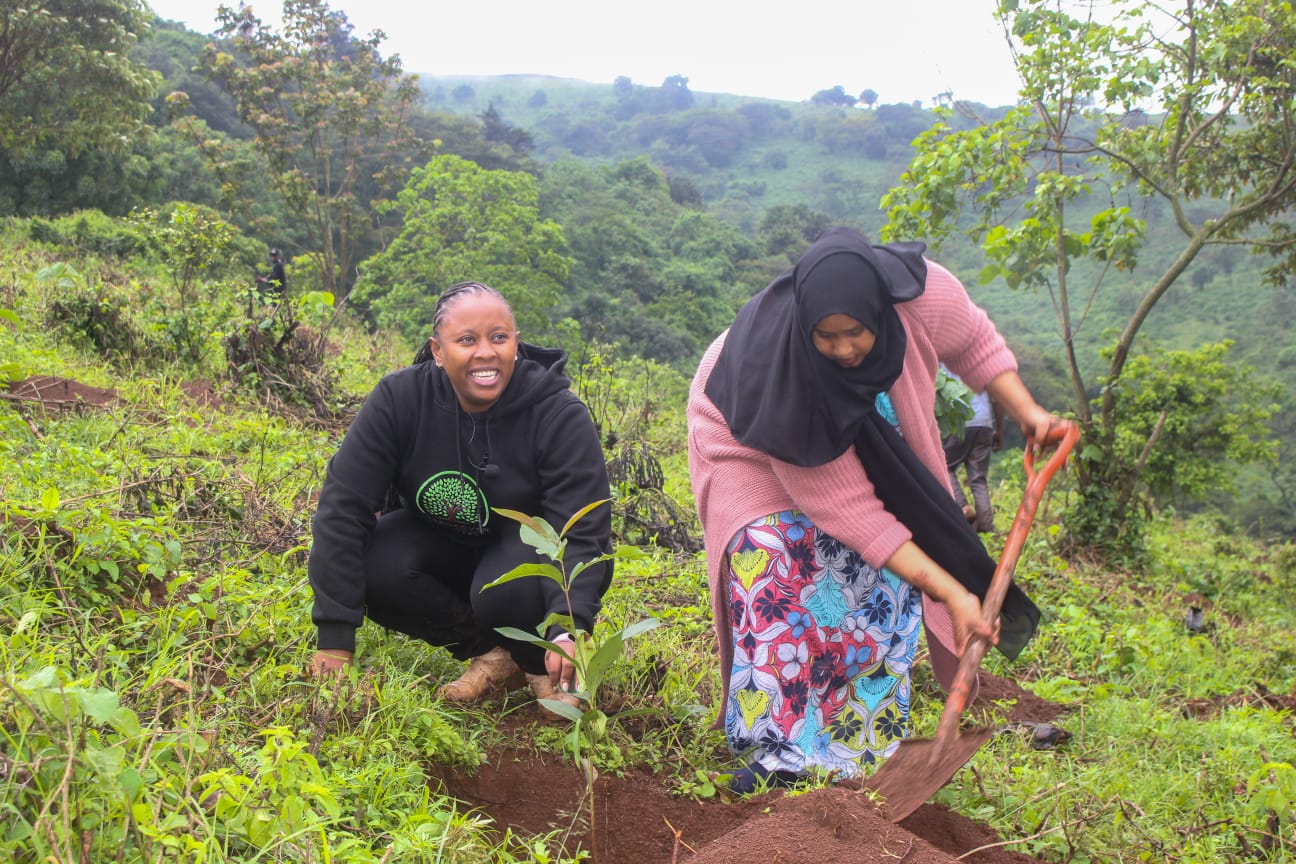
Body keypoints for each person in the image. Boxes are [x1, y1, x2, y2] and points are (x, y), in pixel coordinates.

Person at [686, 227, 1071, 792]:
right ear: (806, 329)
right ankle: (776, 756)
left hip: (866, 431)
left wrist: (1030, 412)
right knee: (780, 564)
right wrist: (954, 592)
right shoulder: (791, 377)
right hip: (751, 439)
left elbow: (974, 344)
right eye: (827, 336)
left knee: (881, 585)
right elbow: (853, 512)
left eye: (855, 332)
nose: (843, 349)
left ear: (879, 311)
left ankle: (856, 750)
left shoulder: (920, 295)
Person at [307, 281, 613, 706]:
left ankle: (537, 659)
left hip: (525, 554)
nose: (485, 352)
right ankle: (488, 654)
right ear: (437, 350)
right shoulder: (399, 400)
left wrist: (568, 625)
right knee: (376, 560)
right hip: (440, 541)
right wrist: (334, 641)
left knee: (505, 587)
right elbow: (342, 508)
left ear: (516, 344)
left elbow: (581, 526)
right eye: (466, 340)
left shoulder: (558, 415)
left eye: (499, 338)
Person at [941, 366, 1005, 532]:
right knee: (978, 479)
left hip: (959, 420)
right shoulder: (978, 360)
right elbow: (997, 399)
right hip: (984, 424)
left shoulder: (942, 360)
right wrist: (999, 429)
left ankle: (963, 507)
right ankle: (986, 527)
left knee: (943, 465)